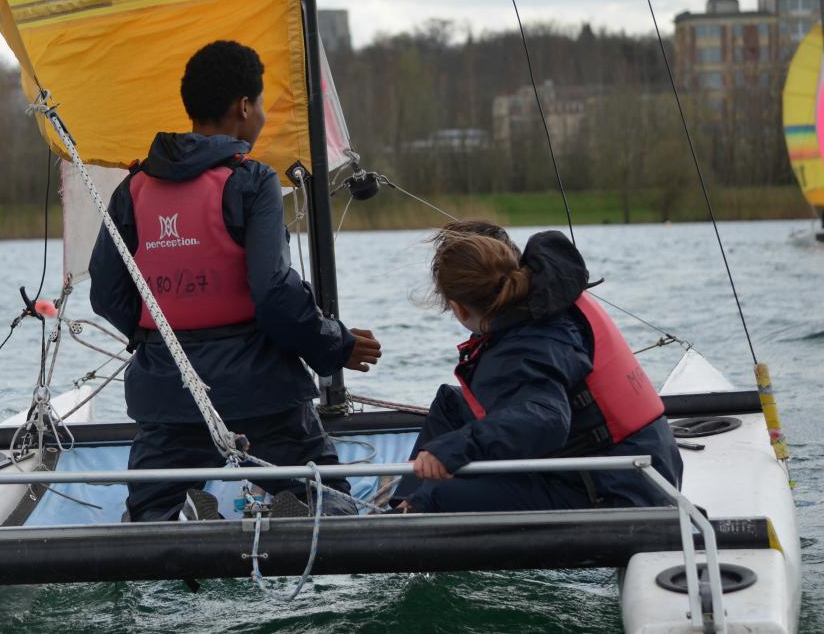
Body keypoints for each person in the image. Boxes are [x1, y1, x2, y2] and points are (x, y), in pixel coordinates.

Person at [89, 40, 381, 522]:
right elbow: (274, 292)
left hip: (167, 394)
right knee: (328, 504)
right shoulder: (253, 181)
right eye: (261, 104)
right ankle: (295, 504)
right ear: (244, 107)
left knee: (149, 517)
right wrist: (336, 345)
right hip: (261, 391)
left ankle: (175, 514)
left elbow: (106, 294)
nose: (262, 114)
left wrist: (159, 344)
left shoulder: (132, 188)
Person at [391, 221, 682, 513]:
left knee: (437, 497)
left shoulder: (523, 344)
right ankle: (404, 506)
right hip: (638, 460)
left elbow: (547, 420)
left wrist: (454, 448)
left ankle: (412, 513)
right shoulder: (543, 299)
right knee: (451, 403)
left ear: (459, 308)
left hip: (613, 488)